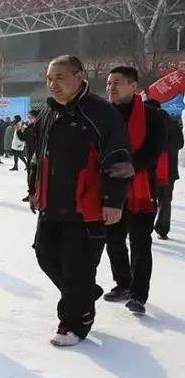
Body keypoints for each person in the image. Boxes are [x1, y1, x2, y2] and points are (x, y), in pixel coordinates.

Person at [28, 56, 133, 346]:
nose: (53, 85)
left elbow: (119, 159)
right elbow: (38, 156)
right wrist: (35, 189)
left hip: (85, 208)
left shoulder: (101, 113)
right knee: (45, 256)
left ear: (80, 76)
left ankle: (75, 322)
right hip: (51, 203)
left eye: (60, 77)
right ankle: (84, 293)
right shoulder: (50, 112)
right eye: (49, 79)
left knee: (77, 266)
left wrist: (114, 200)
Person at [101, 67, 165, 315]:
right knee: (113, 239)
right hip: (111, 188)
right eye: (108, 83)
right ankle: (123, 283)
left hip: (141, 189)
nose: (111, 88)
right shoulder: (104, 114)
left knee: (140, 242)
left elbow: (153, 150)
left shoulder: (152, 116)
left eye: (117, 83)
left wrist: (129, 167)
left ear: (133, 86)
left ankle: (139, 293)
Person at [155, 108, 183, 240]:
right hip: (167, 170)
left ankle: (152, 228)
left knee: (151, 199)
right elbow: (180, 143)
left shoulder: (149, 122)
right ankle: (162, 229)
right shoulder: (173, 122)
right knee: (165, 200)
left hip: (154, 169)